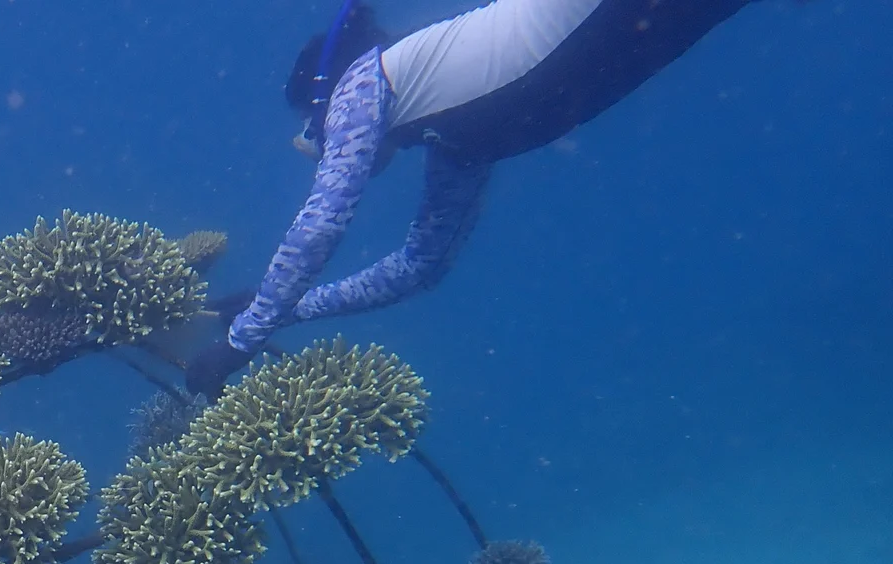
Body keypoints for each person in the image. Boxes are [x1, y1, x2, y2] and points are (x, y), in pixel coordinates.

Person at [188, 0, 765, 397]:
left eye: (312, 131)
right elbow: (421, 266)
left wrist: (246, 336)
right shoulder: (456, 135)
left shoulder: (361, 84)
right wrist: (286, 306)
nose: (321, 143)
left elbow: (321, 224)